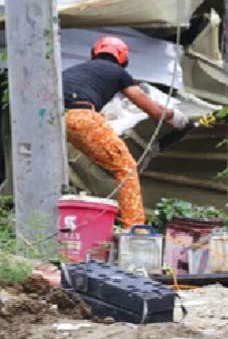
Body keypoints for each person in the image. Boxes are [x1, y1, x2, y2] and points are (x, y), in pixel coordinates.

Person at [61, 35, 187, 228]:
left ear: (95, 53)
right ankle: (135, 228)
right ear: (123, 59)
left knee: (91, 165)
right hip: (83, 117)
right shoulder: (118, 73)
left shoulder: (72, 71)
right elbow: (153, 111)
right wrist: (174, 117)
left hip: (56, 121)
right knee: (126, 169)